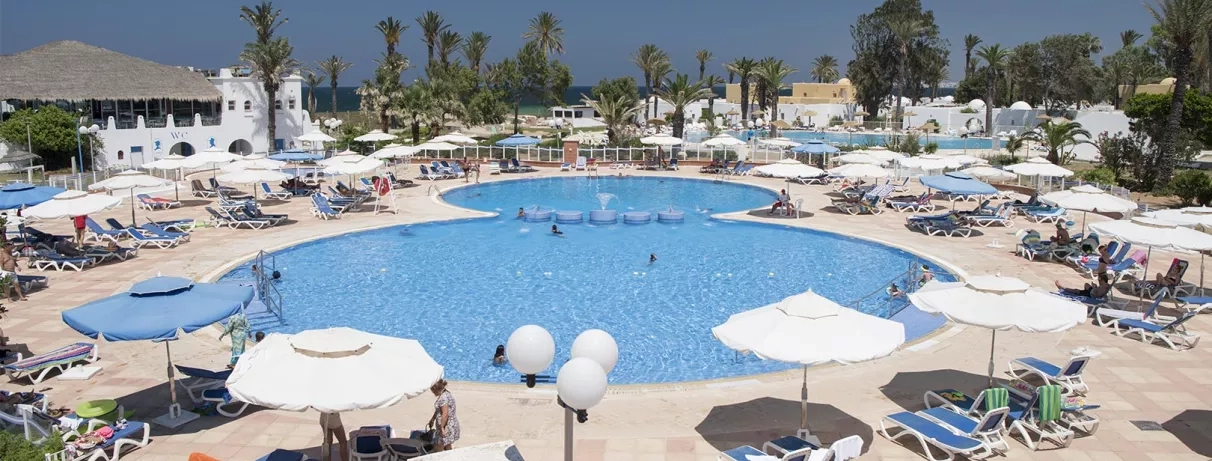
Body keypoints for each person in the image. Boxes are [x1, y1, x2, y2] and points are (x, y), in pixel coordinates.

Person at [429, 380, 460, 452]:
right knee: (447, 446)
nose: (433, 393)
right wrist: (432, 419)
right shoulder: (447, 393)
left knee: (437, 448)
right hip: (451, 424)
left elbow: (445, 414)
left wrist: (442, 428)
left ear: (435, 389)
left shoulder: (443, 398)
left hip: (446, 426)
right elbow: (439, 410)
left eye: (433, 391)